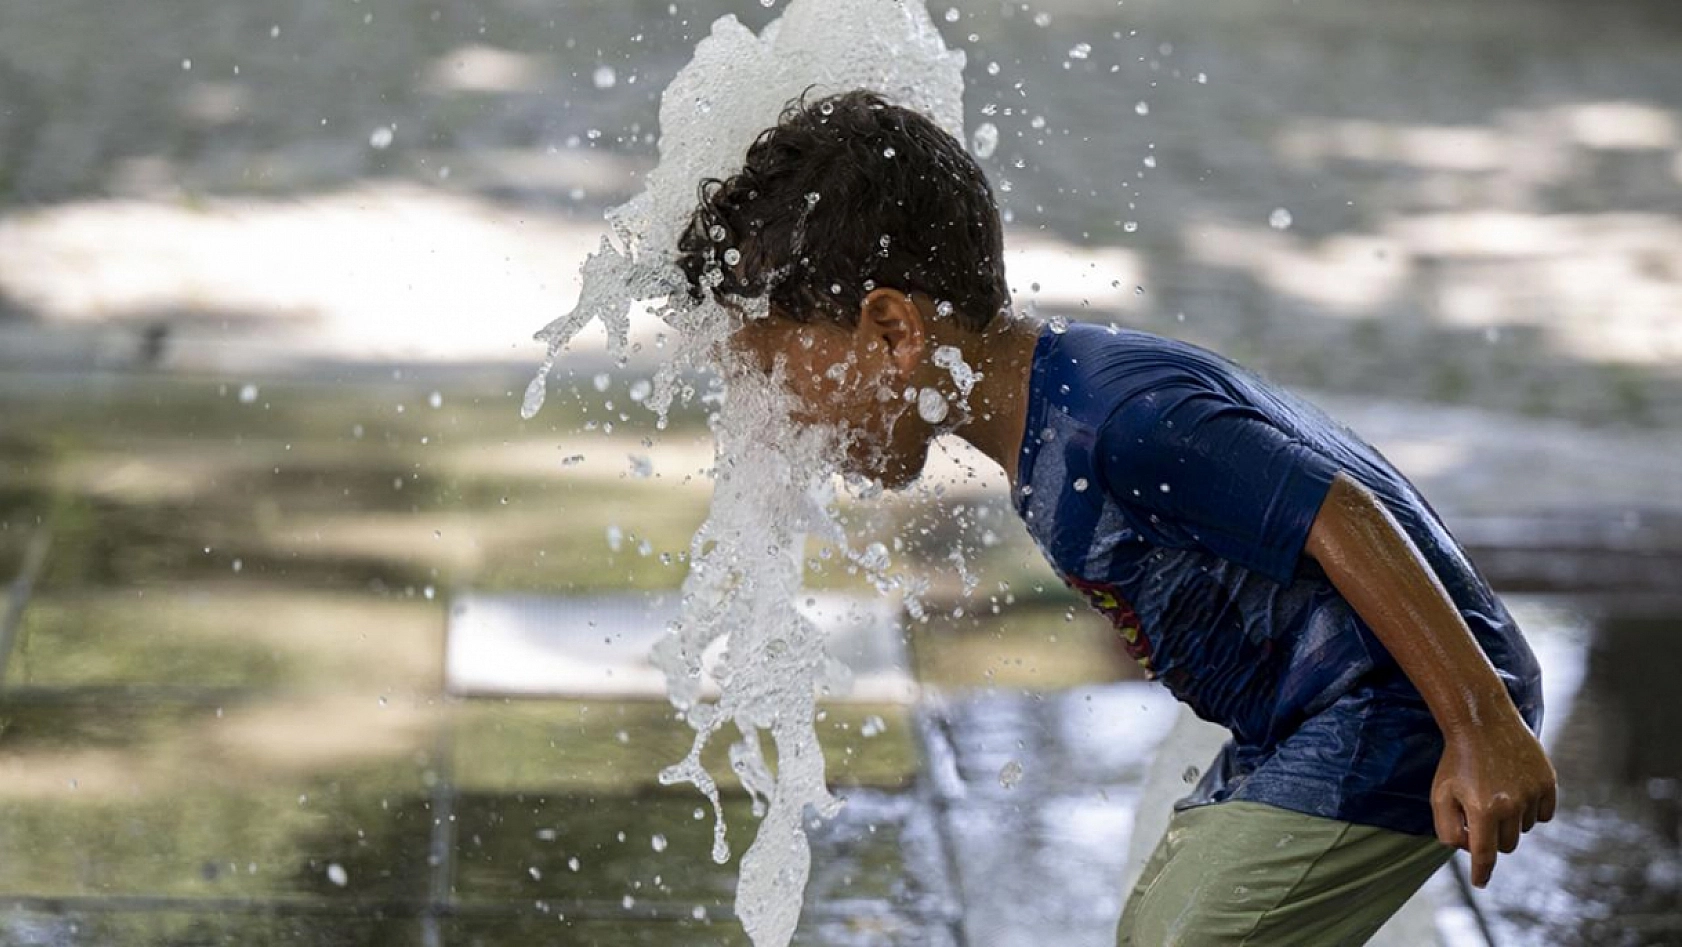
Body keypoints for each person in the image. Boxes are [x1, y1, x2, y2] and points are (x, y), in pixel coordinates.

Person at [676, 89, 1556, 946]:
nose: (774, 414)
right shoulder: (1054, 415)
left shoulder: (1116, 421)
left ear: (894, 332)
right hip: (1319, 714)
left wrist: (1479, 724)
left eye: (780, 376)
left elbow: (1344, 512)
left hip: (1401, 707)